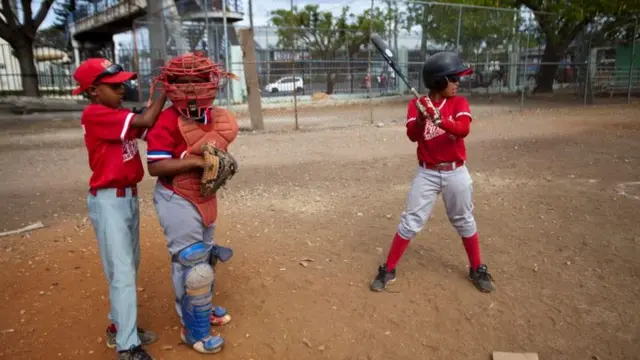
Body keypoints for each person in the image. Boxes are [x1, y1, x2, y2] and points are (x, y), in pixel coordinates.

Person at [370, 52, 495, 294]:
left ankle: (477, 267)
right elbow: (412, 136)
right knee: (410, 221)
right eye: (453, 79)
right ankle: (389, 268)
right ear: (439, 82)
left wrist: (441, 121)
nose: (457, 83)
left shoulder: (458, 103)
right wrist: (420, 118)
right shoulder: (417, 105)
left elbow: (463, 130)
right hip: (426, 173)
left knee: (464, 220)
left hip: (455, 172)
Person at [144, 52, 238, 355]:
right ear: (171, 87)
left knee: (205, 259)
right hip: (177, 197)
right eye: (183, 84)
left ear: (211, 83)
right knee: (192, 264)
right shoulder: (167, 120)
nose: (192, 90)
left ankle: (202, 308)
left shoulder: (215, 117)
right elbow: (155, 167)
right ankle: (193, 330)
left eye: (197, 82)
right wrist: (197, 162)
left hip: (205, 196)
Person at [74, 58, 167, 360]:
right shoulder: (95, 113)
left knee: (127, 268)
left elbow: (151, 127)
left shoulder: (117, 112)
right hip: (109, 201)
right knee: (123, 273)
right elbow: (147, 121)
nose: (121, 89)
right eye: (113, 86)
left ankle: (120, 327)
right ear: (92, 90)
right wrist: (163, 90)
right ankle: (128, 348)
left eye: (122, 83)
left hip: (127, 198)